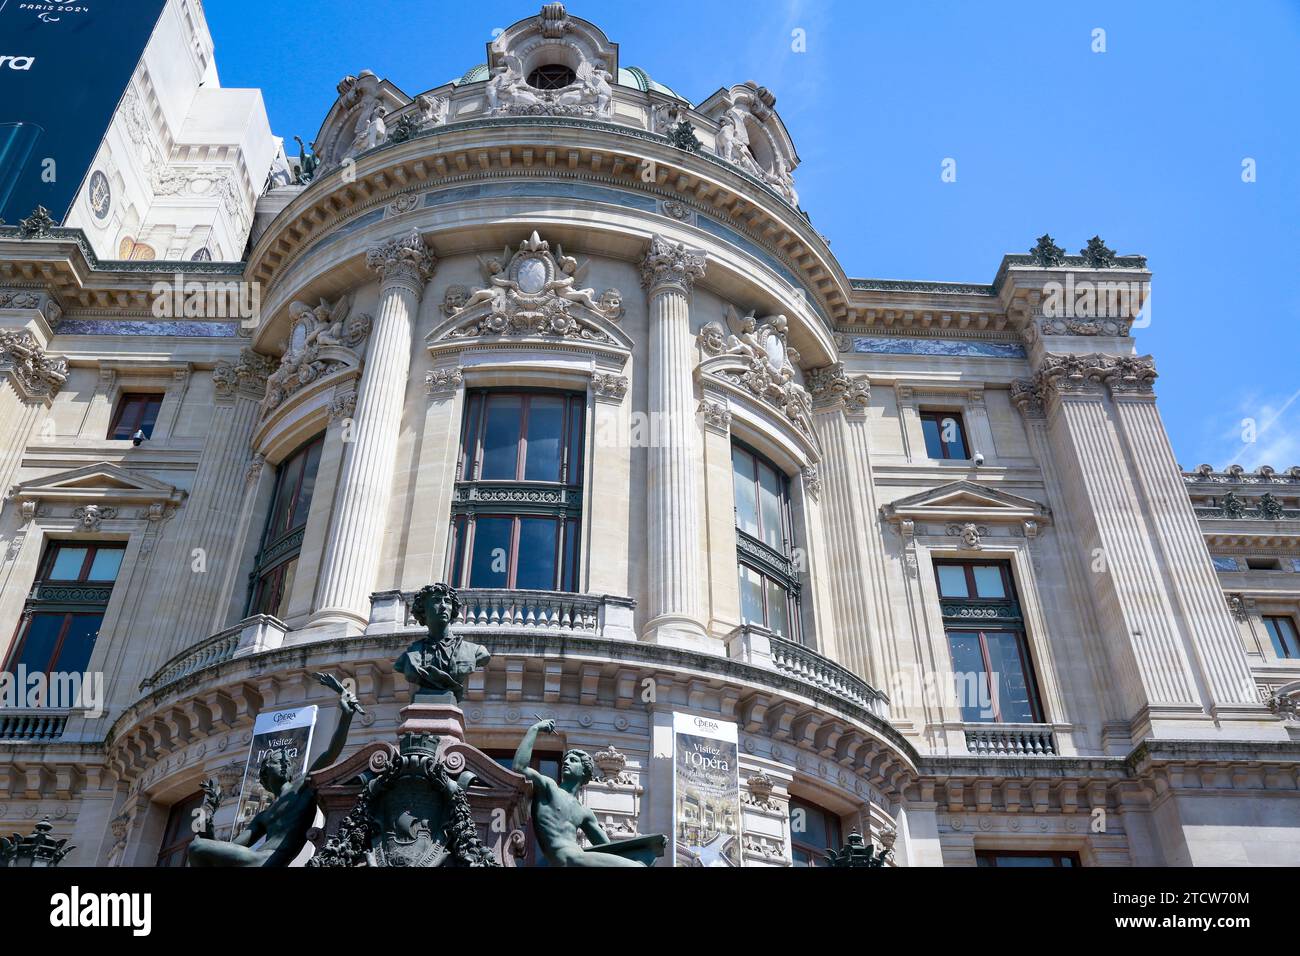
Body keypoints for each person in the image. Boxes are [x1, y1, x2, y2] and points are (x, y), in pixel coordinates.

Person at [187, 682, 360, 867]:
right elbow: (231, 848)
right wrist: (207, 819)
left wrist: (346, 717)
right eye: (279, 761)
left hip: (268, 861)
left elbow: (330, 753)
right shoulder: (264, 815)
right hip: (255, 861)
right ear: (265, 773)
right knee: (199, 848)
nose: (285, 764)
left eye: (288, 762)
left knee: (197, 847)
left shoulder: (302, 787)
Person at [513, 719, 658, 867]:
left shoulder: (584, 812)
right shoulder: (549, 788)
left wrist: (650, 845)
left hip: (579, 857)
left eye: (573, 760)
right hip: (566, 858)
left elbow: (609, 849)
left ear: (584, 771)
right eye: (565, 760)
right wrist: (535, 729)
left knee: (647, 857)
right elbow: (519, 767)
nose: (567, 762)